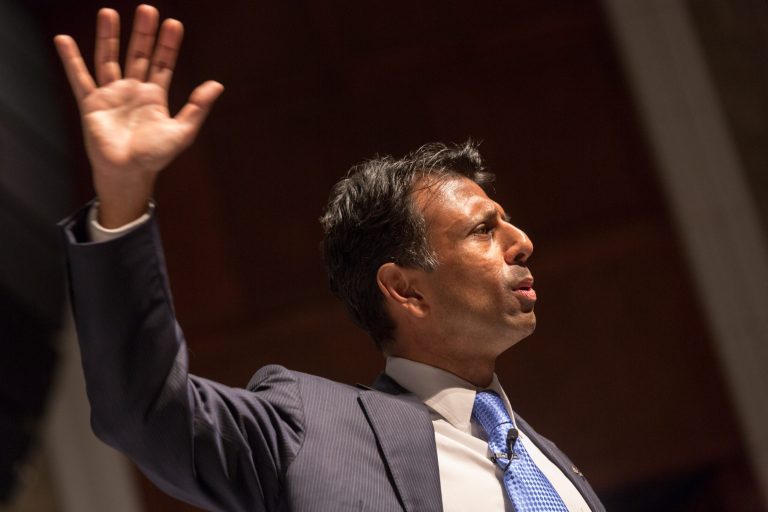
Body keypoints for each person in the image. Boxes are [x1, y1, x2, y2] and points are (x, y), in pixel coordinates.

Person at [55, 5, 605, 512]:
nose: (523, 240)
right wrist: (123, 195)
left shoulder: (550, 462)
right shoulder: (312, 430)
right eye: (483, 230)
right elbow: (146, 410)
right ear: (406, 289)